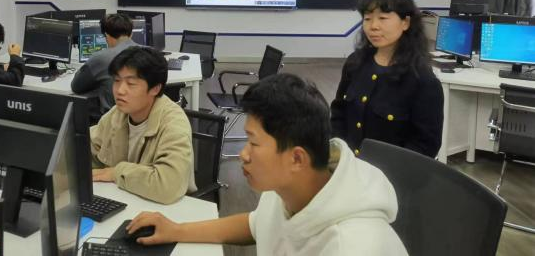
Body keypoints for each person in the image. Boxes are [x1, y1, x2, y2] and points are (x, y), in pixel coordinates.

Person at [126, 73, 407, 255]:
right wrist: (177, 230)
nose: (244, 154)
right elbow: (256, 224)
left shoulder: (352, 245)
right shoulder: (291, 185)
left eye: (254, 143)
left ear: (297, 158)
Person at [331, 0, 444, 158]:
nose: (373, 26)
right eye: (367, 18)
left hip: (390, 172)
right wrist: (340, 154)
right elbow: (339, 113)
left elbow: (425, 145)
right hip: (349, 164)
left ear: (405, 22)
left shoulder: (422, 80)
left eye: (383, 18)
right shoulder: (355, 63)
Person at [90, 46, 196, 204]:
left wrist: (116, 173)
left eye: (131, 83)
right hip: (126, 197)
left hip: (166, 208)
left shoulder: (174, 123)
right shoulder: (117, 114)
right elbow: (88, 147)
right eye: (117, 81)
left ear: (155, 88)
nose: (120, 90)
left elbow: (168, 186)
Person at [71, 13, 138, 123]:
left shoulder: (101, 58)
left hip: (112, 123)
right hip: (141, 119)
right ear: (131, 34)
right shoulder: (150, 53)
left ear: (106, 36)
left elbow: (76, 86)